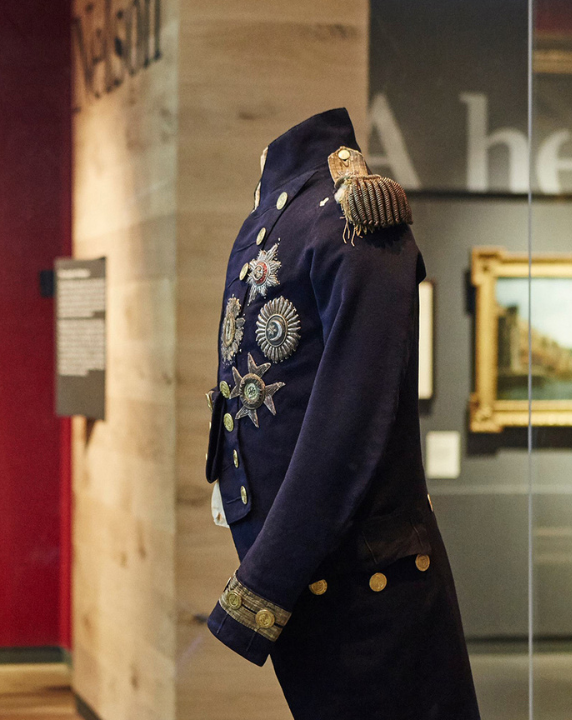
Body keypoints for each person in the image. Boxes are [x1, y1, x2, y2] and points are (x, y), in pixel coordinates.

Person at [204, 108, 478, 718]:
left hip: (368, 582)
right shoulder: (274, 218)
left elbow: (350, 416)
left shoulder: (358, 218)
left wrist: (264, 581)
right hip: (315, 573)